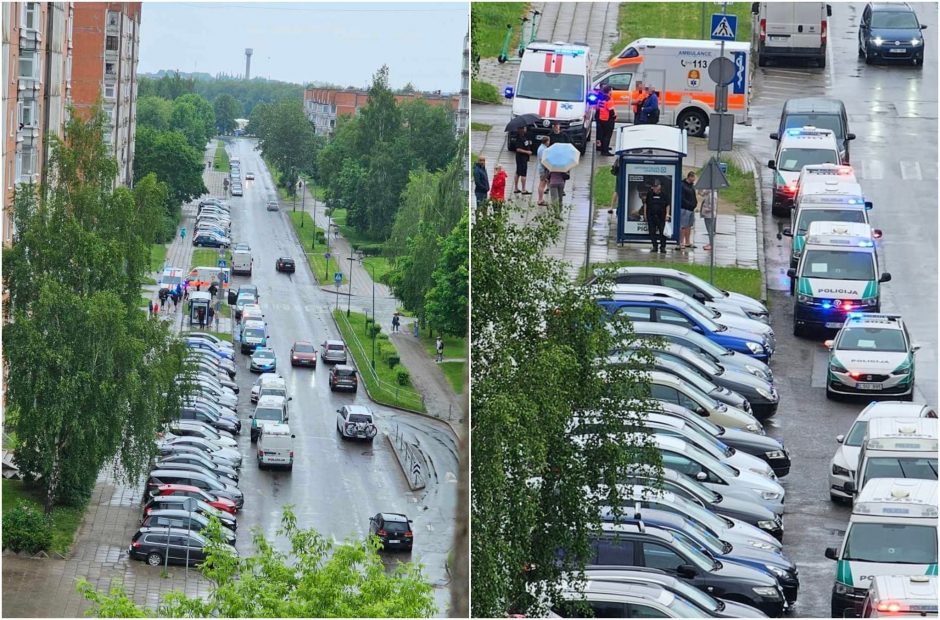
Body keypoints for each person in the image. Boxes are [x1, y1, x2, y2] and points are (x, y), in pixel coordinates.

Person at [643, 179, 670, 253]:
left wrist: (667, 214)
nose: (654, 188)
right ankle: (655, 246)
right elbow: (646, 204)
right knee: (652, 232)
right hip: (651, 216)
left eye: (655, 187)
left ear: (659, 187)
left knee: (662, 232)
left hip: (661, 216)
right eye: (653, 187)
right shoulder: (649, 194)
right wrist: (645, 214)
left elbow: (667, 205)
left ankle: (663, 247)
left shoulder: (664, 194)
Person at [679, 171, 698, 250]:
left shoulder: (692, 186)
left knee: (689, 226)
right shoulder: (682, 185)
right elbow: (682, 198)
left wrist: (695, 203)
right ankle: (681, 242)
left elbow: (693, 196)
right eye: (693, 177)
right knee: (683, 226)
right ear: (689, 177)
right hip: (684, 209)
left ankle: (687, 242)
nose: (694, 179)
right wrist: (690, 204)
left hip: (691, 209)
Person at [596, 85, 617, 155]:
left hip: (602, 119)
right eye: (611, 90)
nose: (612, 91)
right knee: (607, 136)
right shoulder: (609, 100)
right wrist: (614, 116)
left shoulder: (601, 98)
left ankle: (603, 148)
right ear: (609, 91)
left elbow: (598, 108)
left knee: (603, 135)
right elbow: (611, 111)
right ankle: (605, 151)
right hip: (608, 120)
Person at [513, 127, 533, 195]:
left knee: (518, 172)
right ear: (521, 129)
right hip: (521, 158)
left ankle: (516, 188)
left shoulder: (524, 137)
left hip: (523, 158)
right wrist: (527, 152)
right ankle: (523, 189)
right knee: (523, 173)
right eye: (524, 128)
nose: (526, 129)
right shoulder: (519, 138)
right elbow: (518, 149)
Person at [535, 135, 551, 206]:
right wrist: (547, 167)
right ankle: (540, 200)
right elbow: (542, 160)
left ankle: (540, 199)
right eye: (548, 141)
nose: (549, 142)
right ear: (546, 141)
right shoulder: (543, 149)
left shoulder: (542, 148)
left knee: (542, 184)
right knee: (542, 184)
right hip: (543, 169)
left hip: (542, 168)